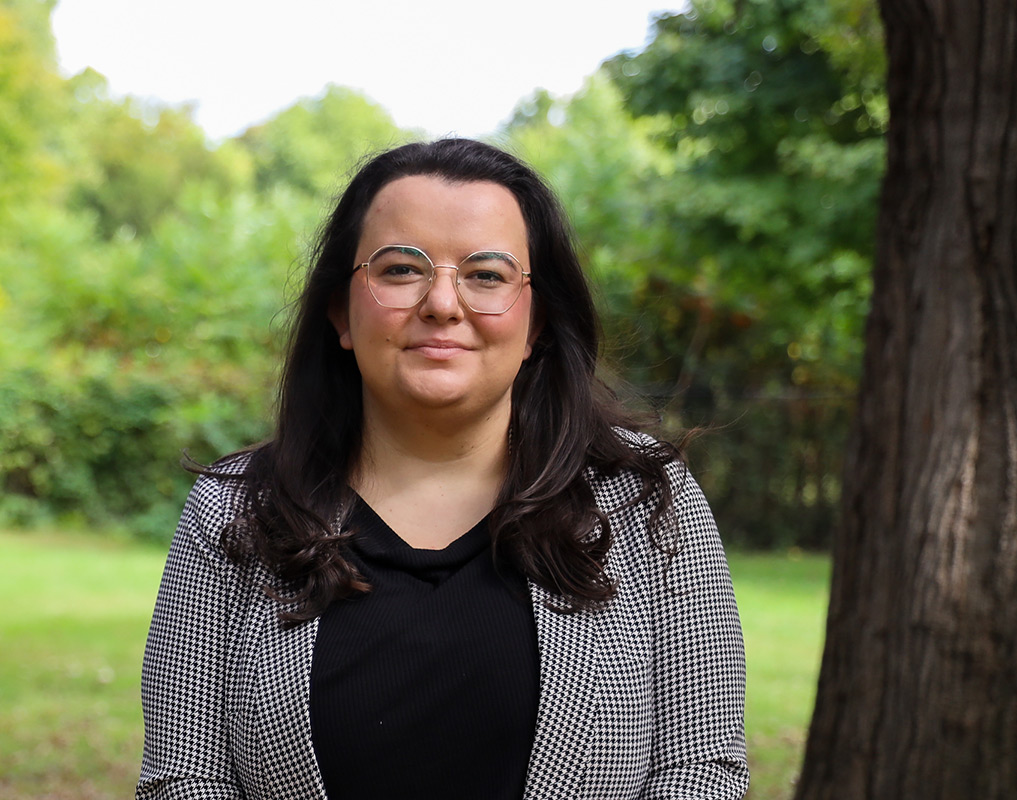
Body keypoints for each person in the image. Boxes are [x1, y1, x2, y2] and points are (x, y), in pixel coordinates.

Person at [136, 138, 748, 800]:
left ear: (537, 321)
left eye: (487, 274)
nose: (443, 304)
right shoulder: (232, 515)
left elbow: (701, 769)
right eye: (401, 270)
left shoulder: (649, 504)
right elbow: (185, 776)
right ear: (340, 311)